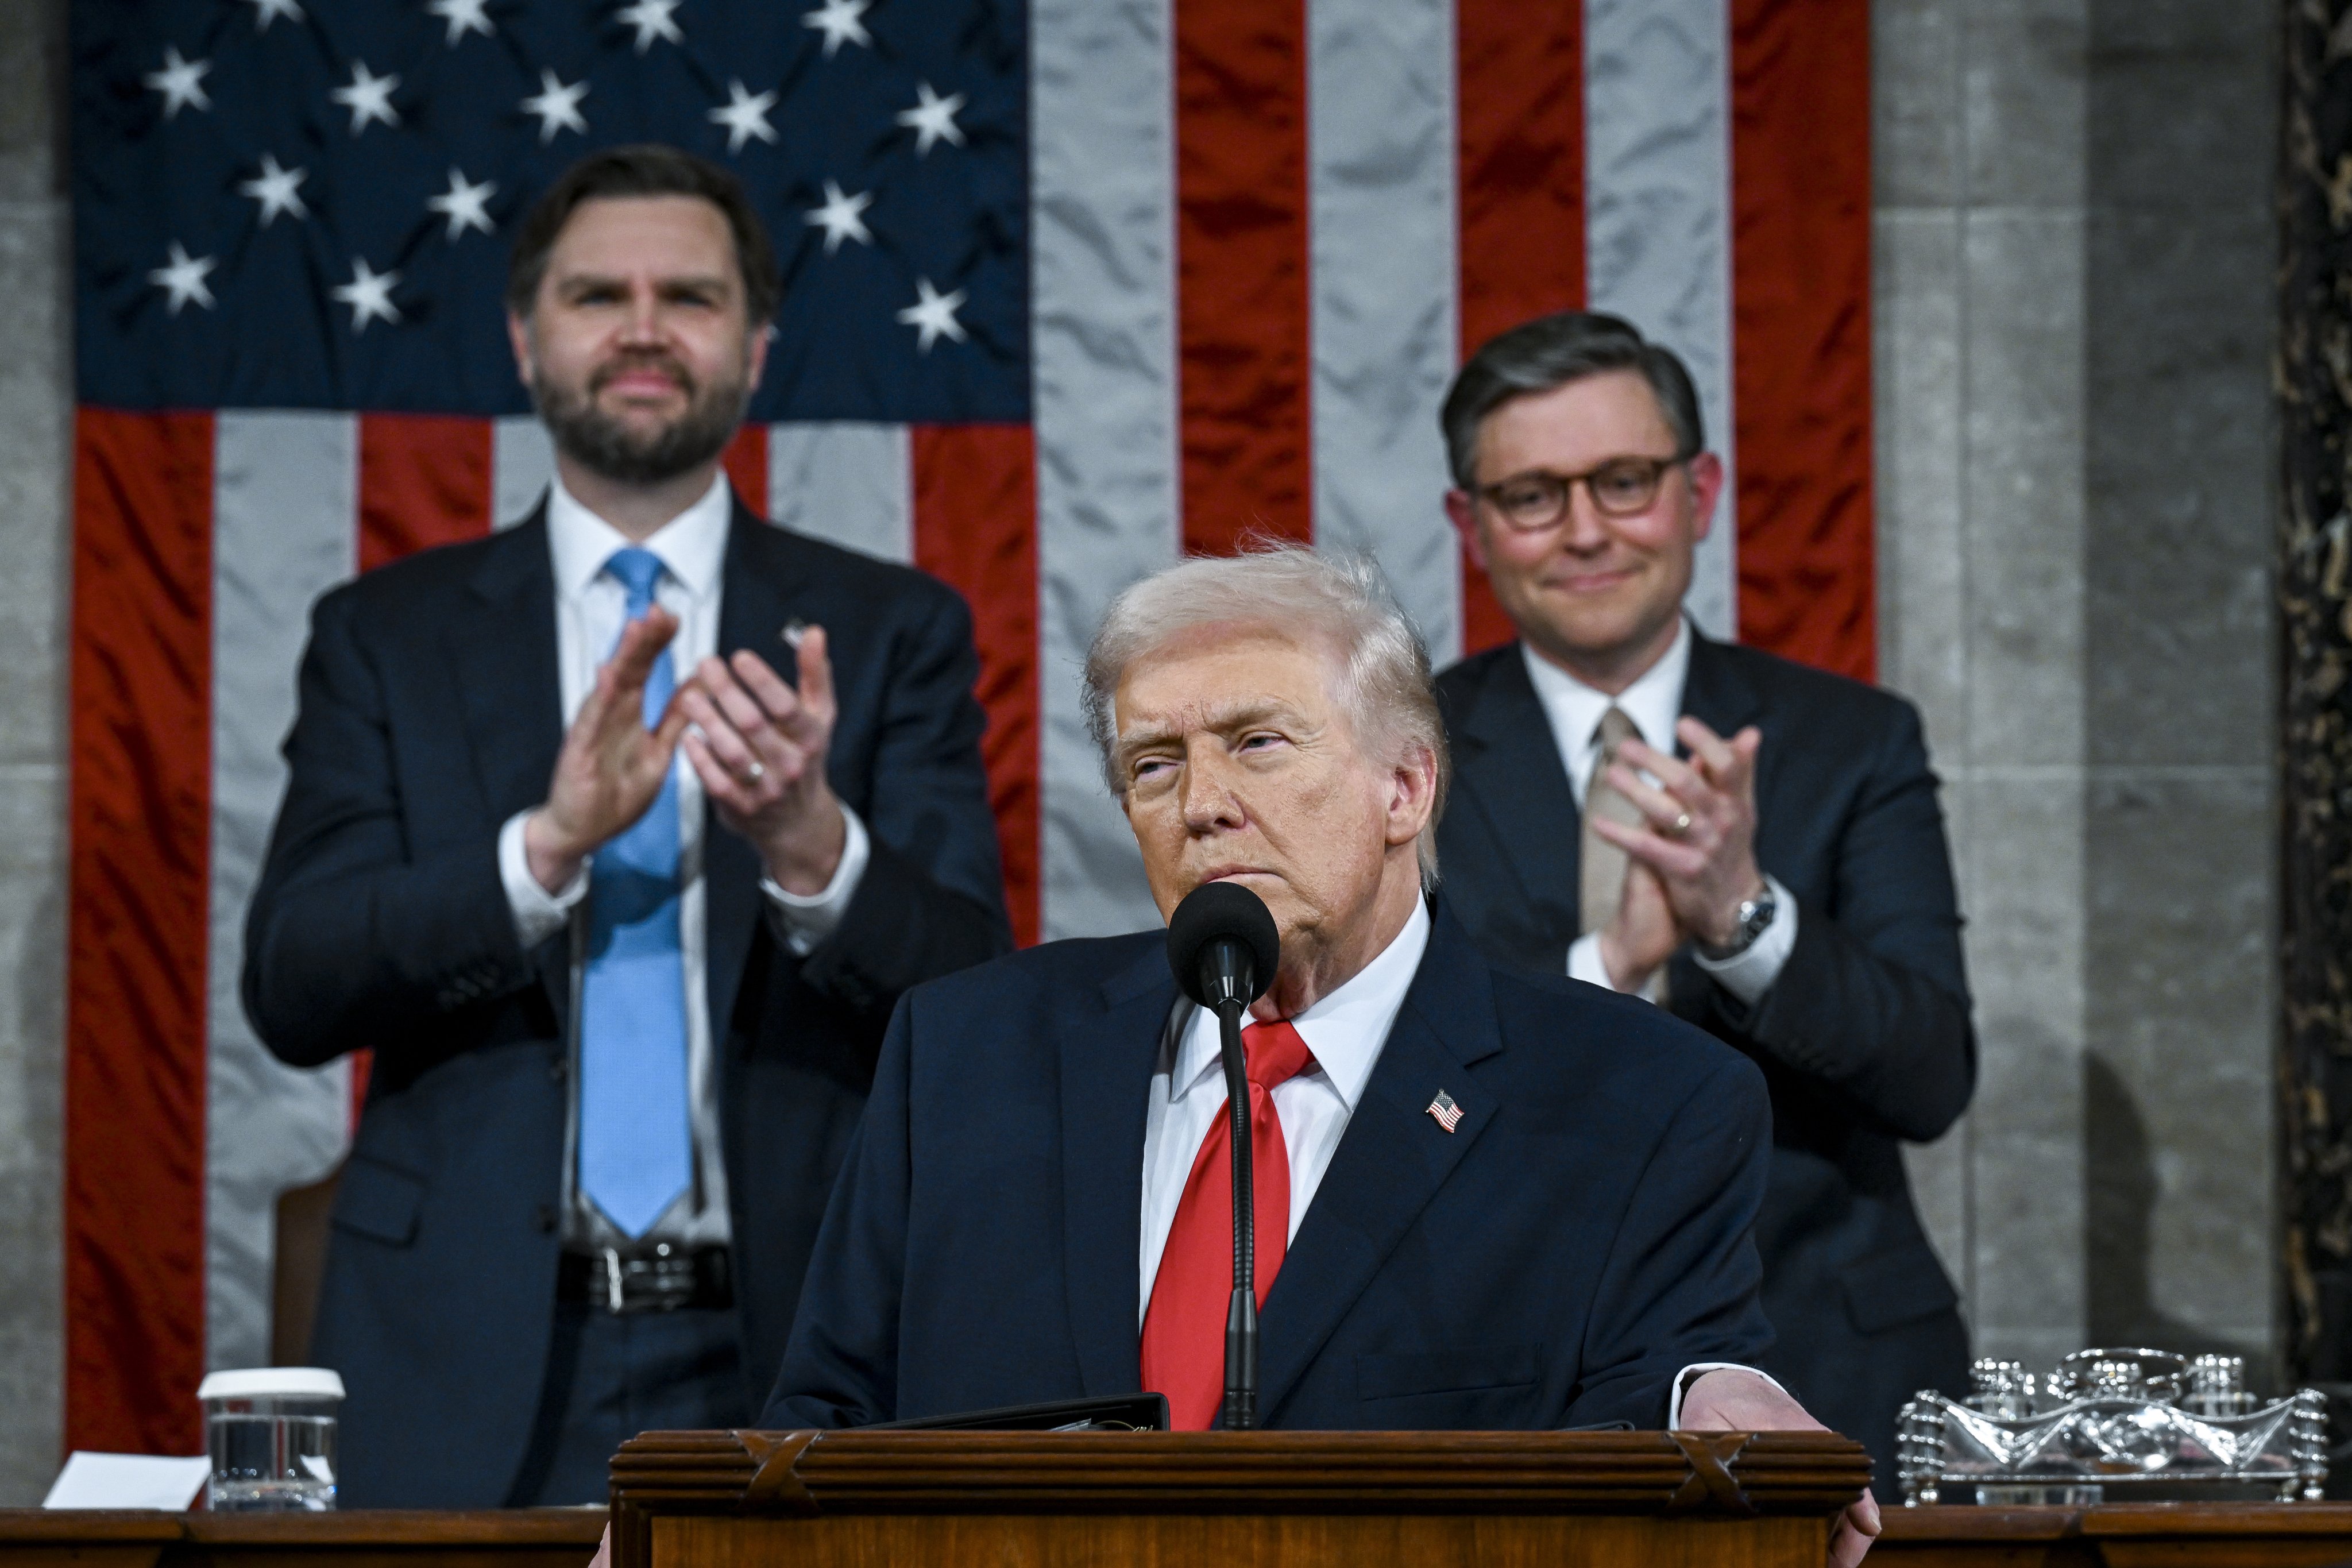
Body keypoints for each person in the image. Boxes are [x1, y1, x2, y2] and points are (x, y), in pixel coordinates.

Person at [762, 546, 1879, 1567]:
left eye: (1256, 743)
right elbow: (821, 1424)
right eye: (1154, 766)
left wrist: (1715, 1395)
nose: (1202, 806)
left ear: (1405, 786)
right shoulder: (965, 1053)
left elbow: (1666, 1385)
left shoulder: (1637, 1099)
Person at [240, 146, 1012, 1507]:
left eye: (691, 298)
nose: (645, 328)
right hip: (459, 1350)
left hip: (798, 1347)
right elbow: (295, 983)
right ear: (525, 338)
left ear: (757, 348)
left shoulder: (892, 631)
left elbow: (974, 997)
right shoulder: (385, 635)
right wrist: (539, 850)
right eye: (599, 294)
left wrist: (808, 849)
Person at [1432, 310, 1973, 1500]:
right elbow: (1377, 1077)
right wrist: (1608, 962)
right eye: (1530, 496)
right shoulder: (1399, 756)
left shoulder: (1851, 742)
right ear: (1469, 528)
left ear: (1699, 491)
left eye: (1622, 482)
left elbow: (1932, 1078)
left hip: (1833, 1372)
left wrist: (1740, 916)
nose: (1583, 531)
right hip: (1507, 1383)